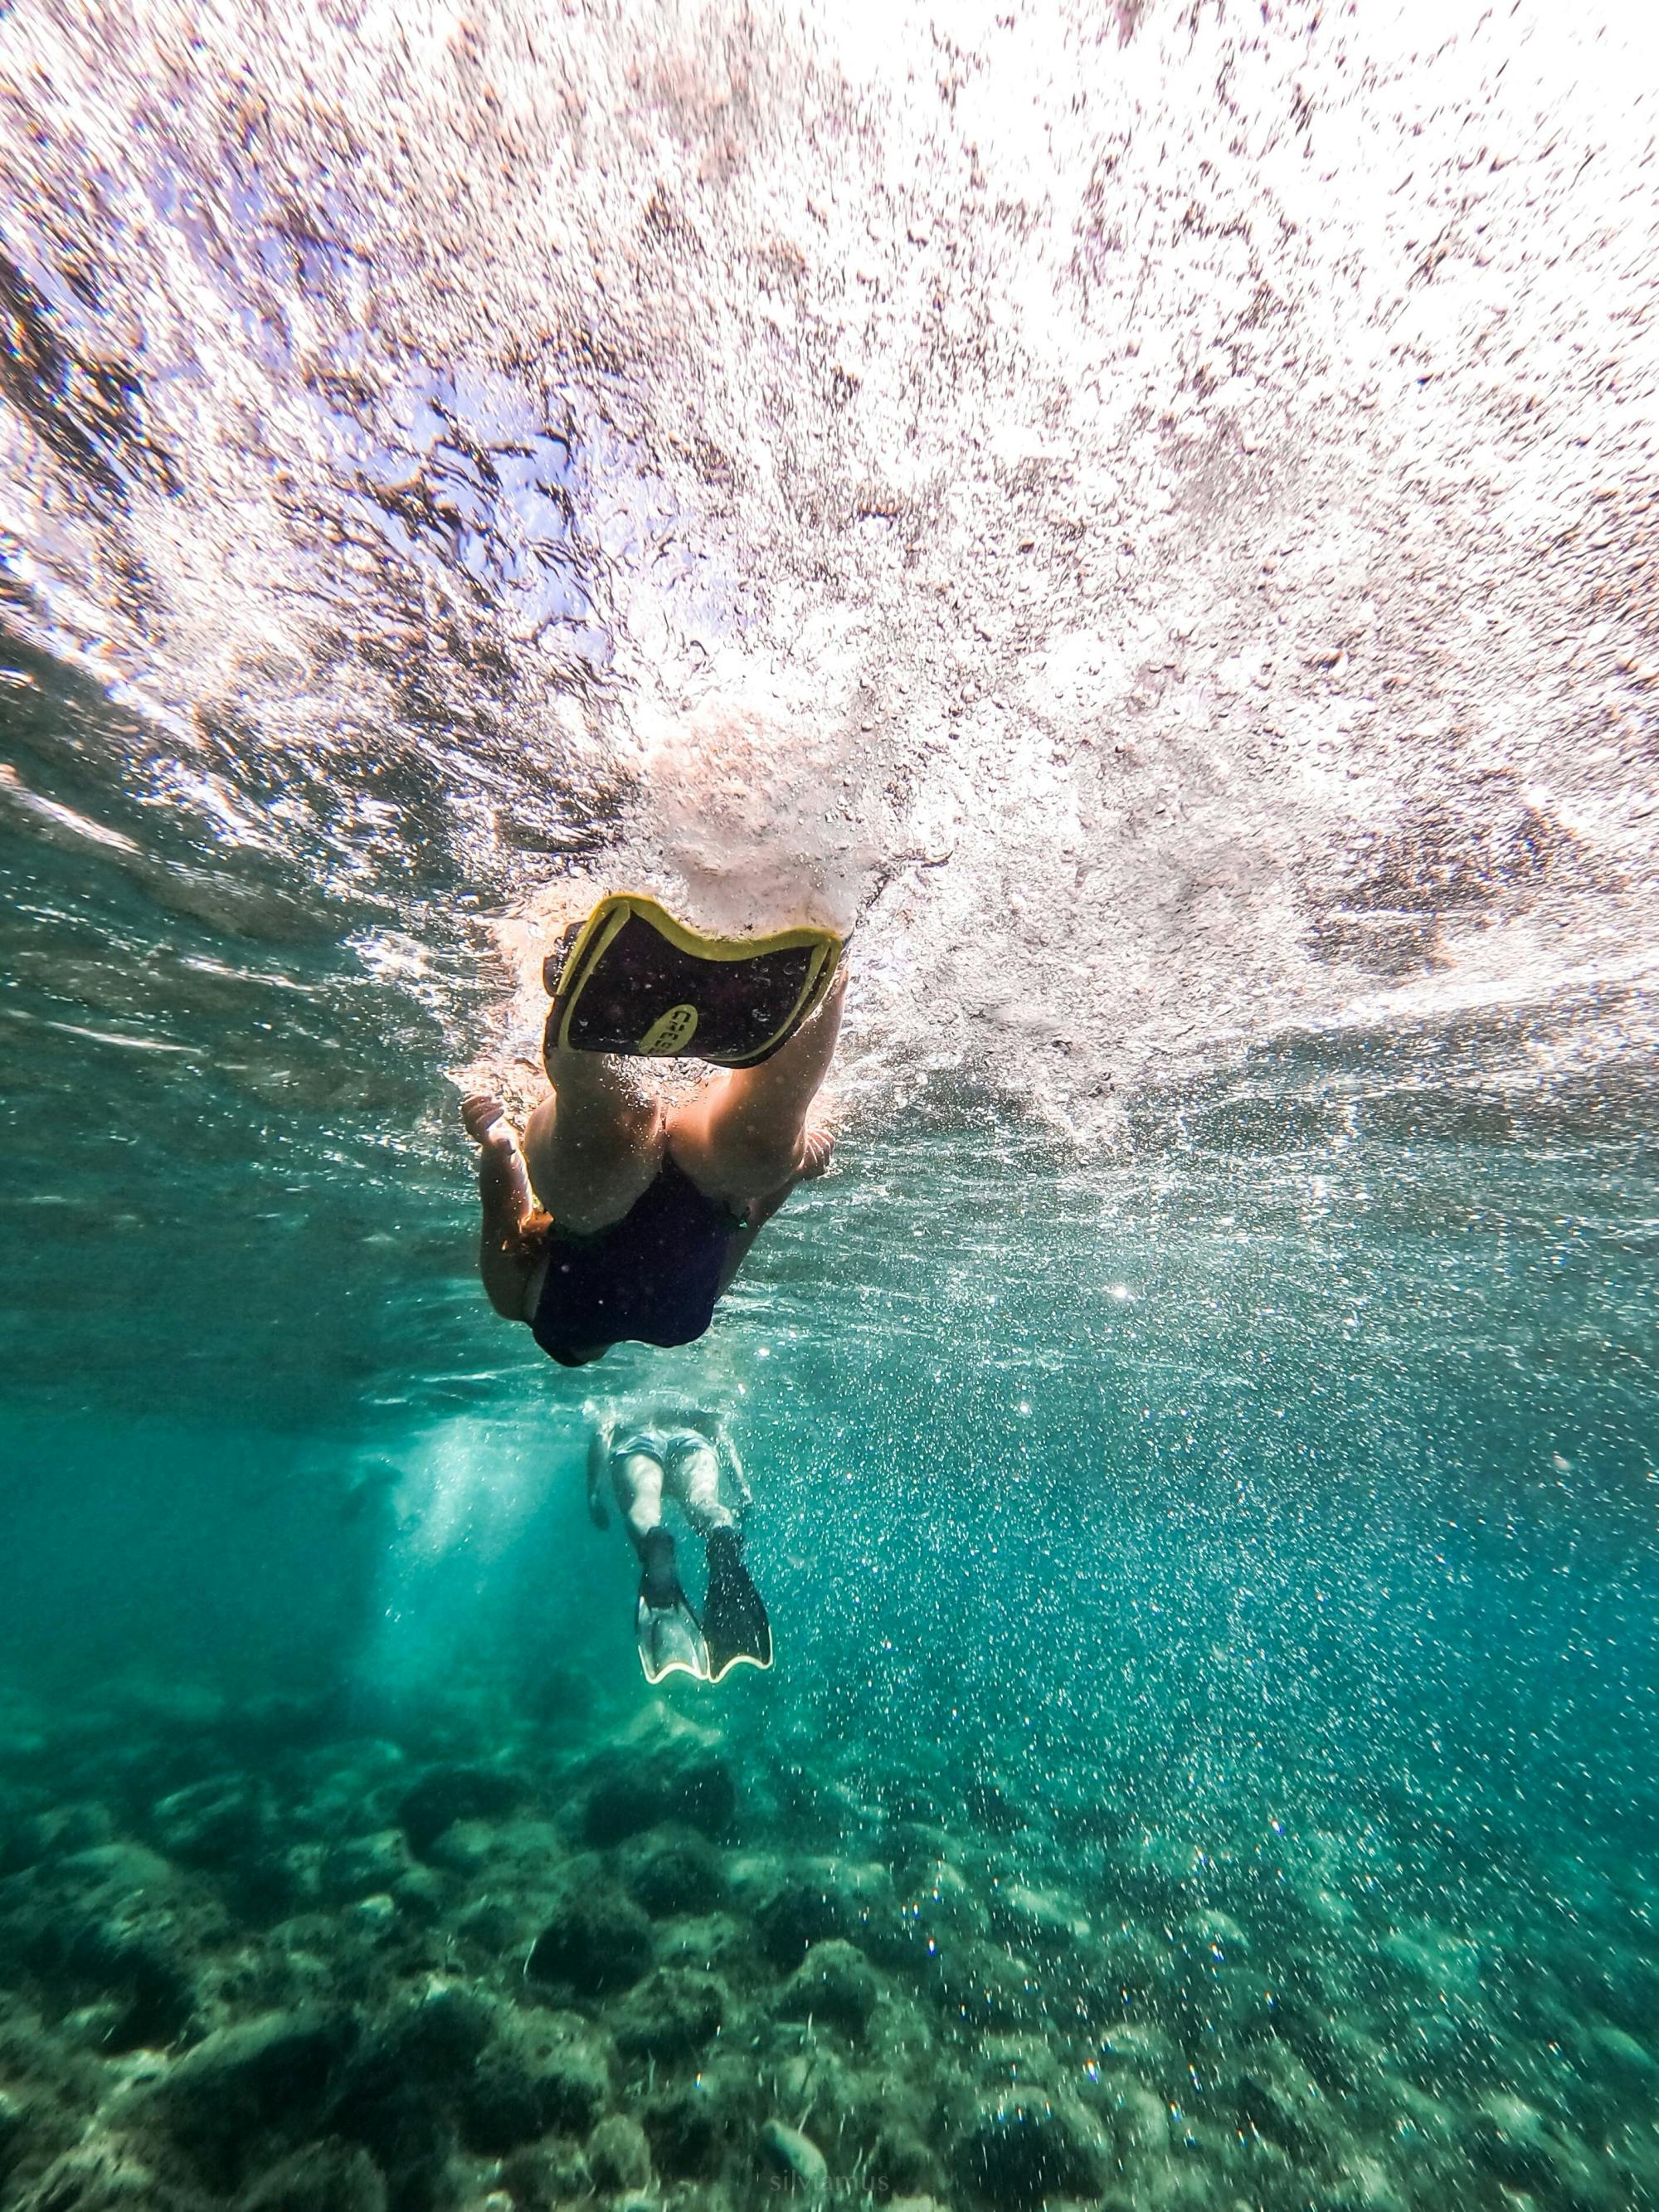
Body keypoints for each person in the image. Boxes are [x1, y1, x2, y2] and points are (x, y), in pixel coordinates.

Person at [460, 959, 844, 1367]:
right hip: (685, 1190)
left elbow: (753, 1218)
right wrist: (495, 1138)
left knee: (738, 1148)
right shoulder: (527, 1308)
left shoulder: (675, 1324)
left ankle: (602, 986)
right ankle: (825, 972)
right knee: (751, 1154)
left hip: (628, 1201)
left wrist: (496, 1141)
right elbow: (504, 1190)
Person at [584, 1395, 767, 1682]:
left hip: (637, 1440)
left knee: (643, 1507)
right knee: (704, 1503)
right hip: (690, 1440)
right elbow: (719, 1431)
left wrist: (593, 1492)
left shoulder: (617, 1388)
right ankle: (724, 1549)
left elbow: (603, 1429)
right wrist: (743, 1490)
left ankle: (658, 1557)